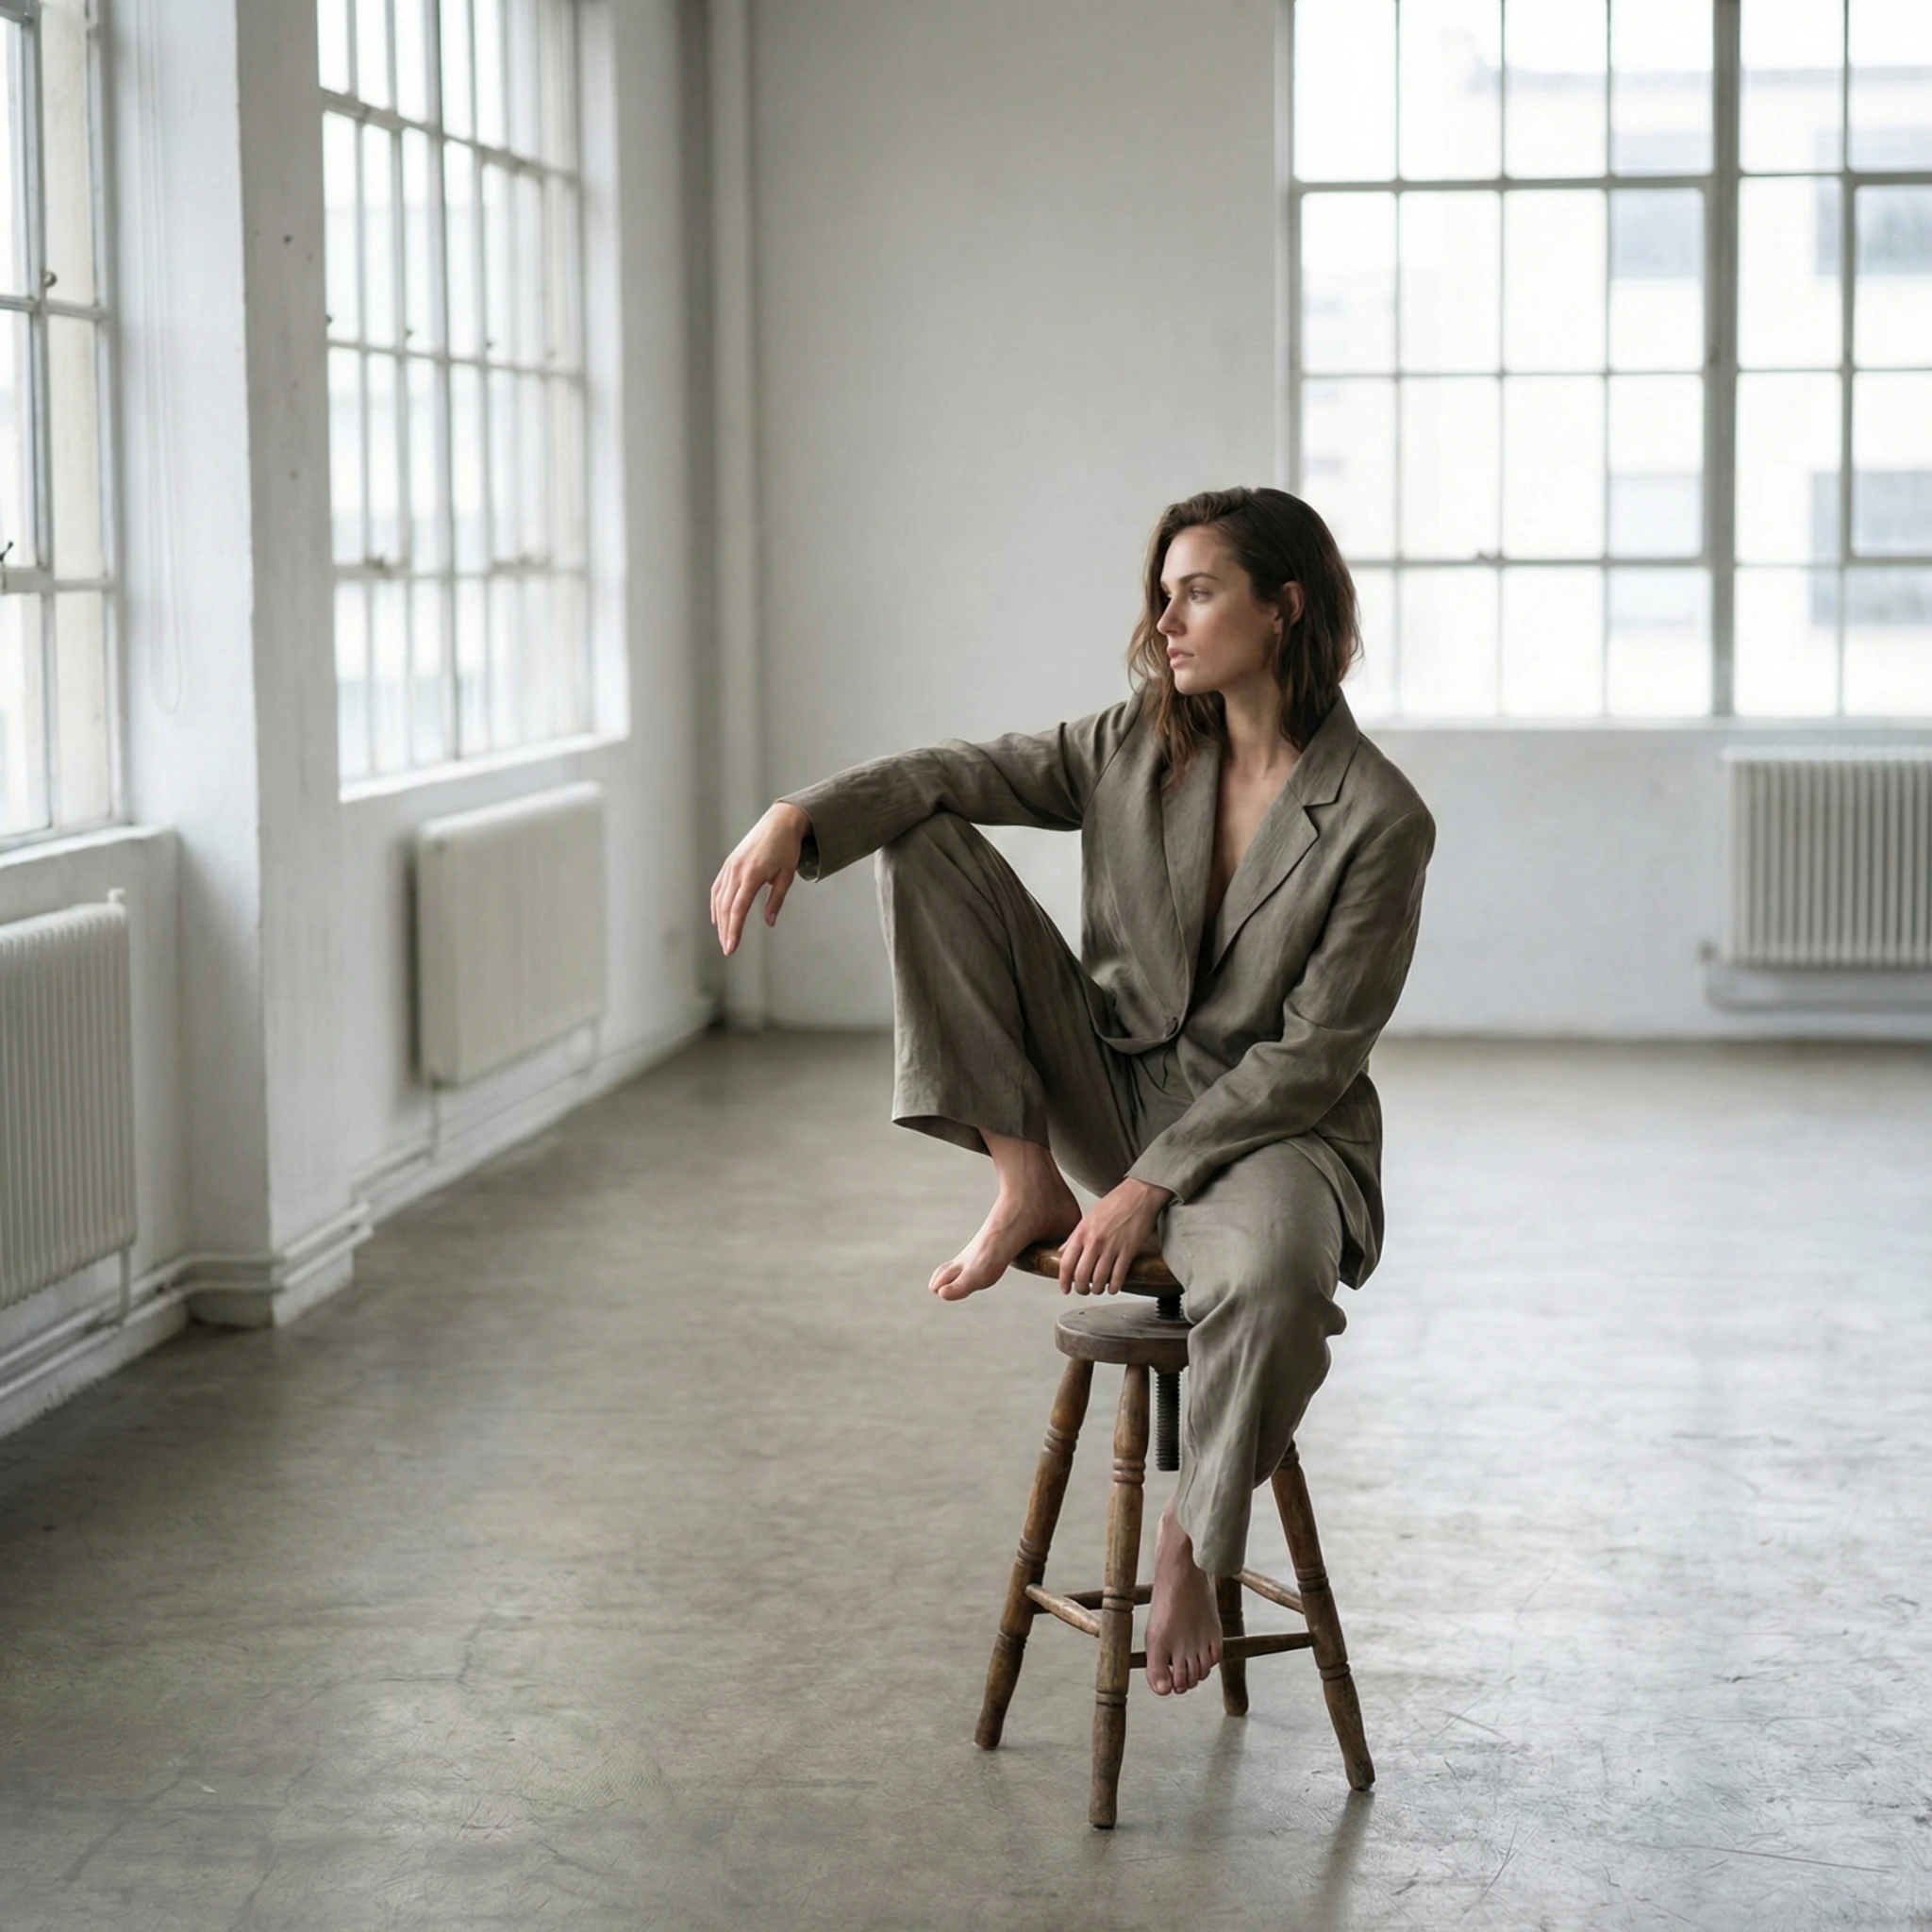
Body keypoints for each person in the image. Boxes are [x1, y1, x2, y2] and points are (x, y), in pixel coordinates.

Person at [709, 486, 1434, 1700]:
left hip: (1275, 1131)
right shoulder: (1133, 743)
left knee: (1269, 1280)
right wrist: (797, 815)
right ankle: (1024, 1180)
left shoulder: (1377, 818)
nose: (1165, 622)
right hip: (1110, 1080)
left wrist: (1153, 1182)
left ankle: (1193, 1537)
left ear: (1284, 605)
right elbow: (953, 768)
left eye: (1197, 591)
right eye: (1161, 595)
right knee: (924, 830)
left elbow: (1311, 1051)